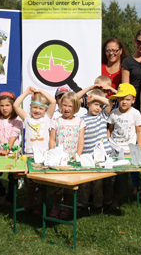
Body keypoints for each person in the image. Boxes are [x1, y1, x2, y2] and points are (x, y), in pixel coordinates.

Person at [13, 87, 56, 215]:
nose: (37, 111)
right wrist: (27, 93)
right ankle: (30, 204)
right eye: (35, 107)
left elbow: (53, 101)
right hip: (30, 156)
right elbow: (16, 105)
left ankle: (39, 206)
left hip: (43, 157)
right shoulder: (27, 119)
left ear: (45, 110)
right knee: (30, 183)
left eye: (41, 108)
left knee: (41, 184)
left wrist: (40, 91)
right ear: (31, 107)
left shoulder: (47, 118)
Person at [49, 92, 86, 220]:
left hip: (72, 159)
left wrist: (78, 155)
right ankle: (56, 206)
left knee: (69, 185)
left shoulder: (79, 122)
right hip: (59, 159)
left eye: (70, 106)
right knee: (58, 185)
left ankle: (65, 207)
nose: (67, 108)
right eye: (64, 105)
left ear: (75, 107)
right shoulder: (56, 121)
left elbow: (81, 140)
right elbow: (52, 139)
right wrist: (52, 153)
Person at [107, 83, 141, 210]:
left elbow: (139, 131)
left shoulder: (135, 113)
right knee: (109, 175)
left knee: (122, 176)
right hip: (113, 147)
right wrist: (107, 143)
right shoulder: (114, 113)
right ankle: (106, 199)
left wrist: (138, 148)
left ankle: (116, 200)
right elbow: (110, 129)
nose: (124, 101)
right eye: (121, 98)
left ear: (133, 100)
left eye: (127, 99)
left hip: (128, 150)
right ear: (117, 99)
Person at [78, 89, 113, 212]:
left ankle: (98, 205)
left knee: (98, 182)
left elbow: (110, 104)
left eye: (100, 105)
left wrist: (96, 98)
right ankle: (82, 204)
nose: (98, 108)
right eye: (95, 104)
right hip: (86, 155)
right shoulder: (81, 119)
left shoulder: (103, 116)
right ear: (88, 104)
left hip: (101, 156)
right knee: (84, 182)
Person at [0, 92, 23, 205]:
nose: (4, 108)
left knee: (13, 177)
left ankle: (11, 199)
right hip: (0, 153)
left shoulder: (18, 120)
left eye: (7, 105)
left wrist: (7, 150)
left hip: (13, 153)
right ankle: (2, 193)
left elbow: (13, 136)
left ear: (13, 106)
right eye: (2, 105)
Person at [122, 29, 141, 110]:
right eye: (139, 42)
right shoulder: (127, 61)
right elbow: (126, 87)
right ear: (135, 41)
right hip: (134, 102)